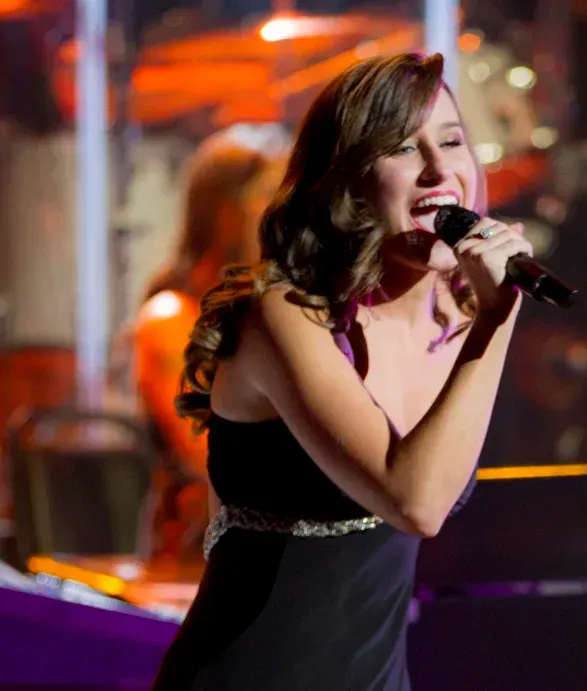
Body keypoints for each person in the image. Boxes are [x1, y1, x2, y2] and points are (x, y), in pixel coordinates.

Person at [151, 52, 530, 690]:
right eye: (403, 148)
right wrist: (498, 319)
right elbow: (416, 501)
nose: (440, 170)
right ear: (347, 181)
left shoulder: (463, 324)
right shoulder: (285, 317)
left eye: (451, 142)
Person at [129, 131, 284, 561]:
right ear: (224, 212)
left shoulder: (272, 313)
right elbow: (212, 458)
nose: (284, 213)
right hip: (195, 560)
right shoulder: (169, 317)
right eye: (268, 194)